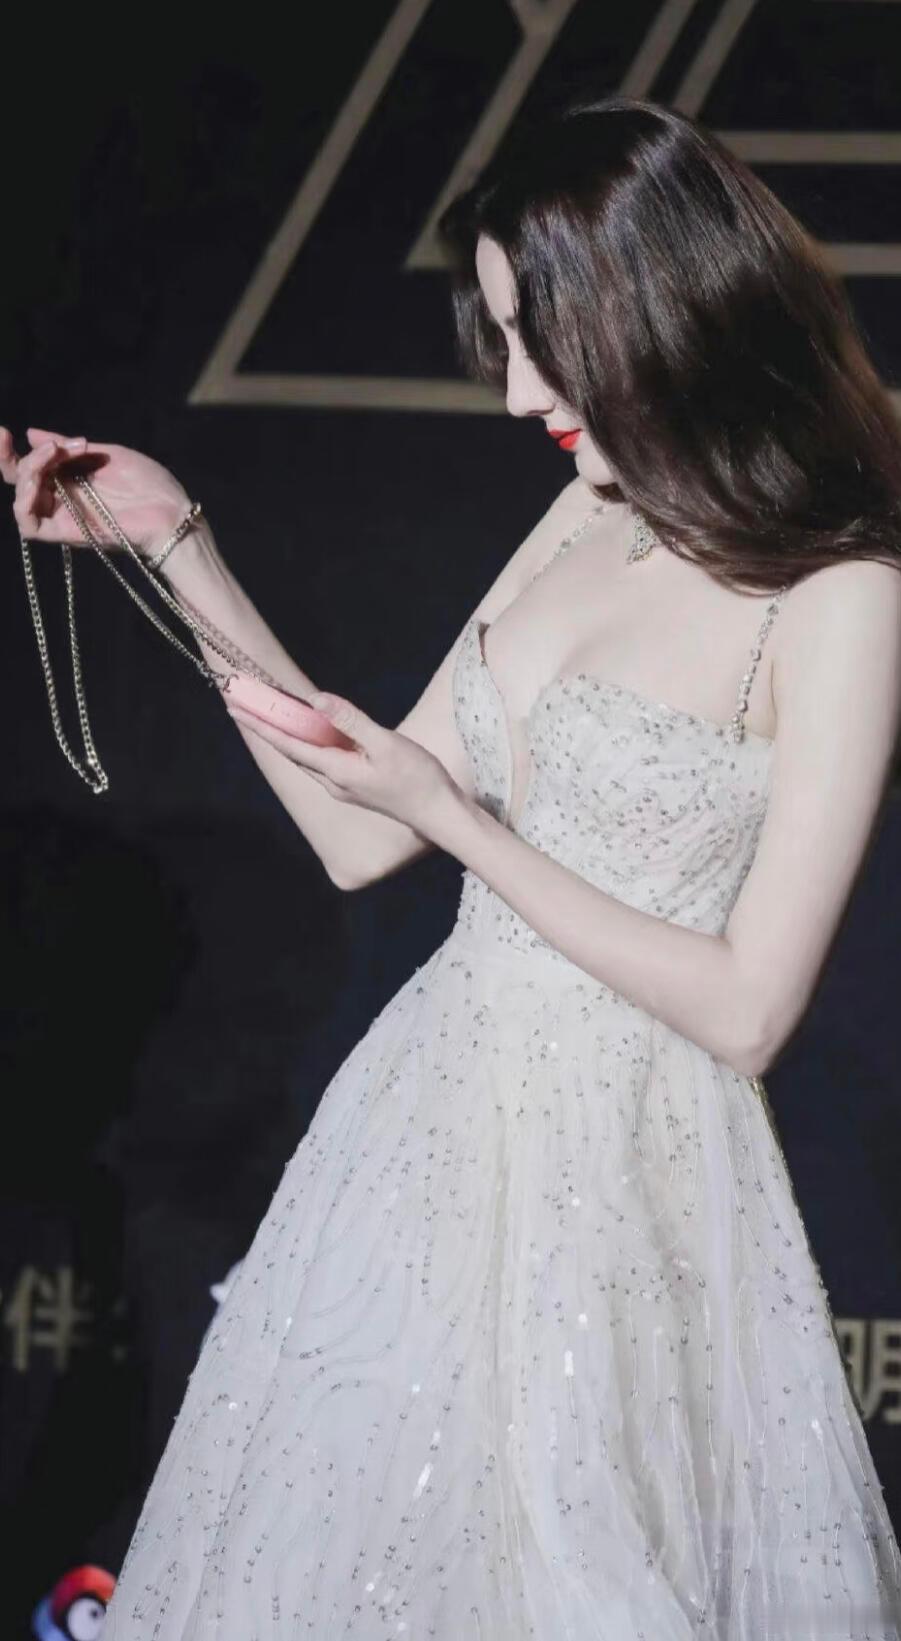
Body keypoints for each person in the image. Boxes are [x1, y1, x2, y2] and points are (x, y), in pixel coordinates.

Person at [5, 91, 901, 1639]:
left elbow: (750, 1008)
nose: (521, 392)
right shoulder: (576, 515)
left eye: (543, 337)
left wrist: (470, 825)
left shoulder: (841, 593)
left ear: (657, 305)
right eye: (504, 339)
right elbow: (363, 828)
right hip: (419, 1141)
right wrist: (174, 546)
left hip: (627, 1187)